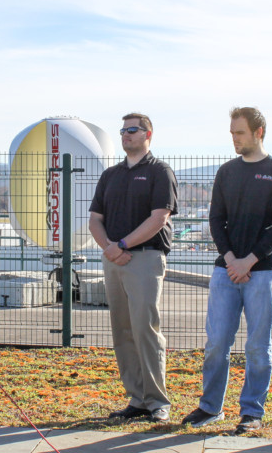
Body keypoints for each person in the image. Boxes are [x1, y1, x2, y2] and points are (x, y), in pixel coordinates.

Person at [181, 107, 272, 435]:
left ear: (259, 132)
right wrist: (231, 259)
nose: (234, 138)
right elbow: (217, 220)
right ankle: (210, 407)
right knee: (216, 342)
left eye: (240, 133)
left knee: (258, 347)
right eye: (231, 132)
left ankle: (251, 412)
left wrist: (250, 261)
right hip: (225, 271)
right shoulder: (227, 172)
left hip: (262, 272)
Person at [89, 112, 178, 423]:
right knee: (123, 331)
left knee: (145, 330)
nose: (125, 135)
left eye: (132, 130)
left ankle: (157, 401)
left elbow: (159, 218)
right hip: (114, 259)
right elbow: (95, 220)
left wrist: (123, 245)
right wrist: (110, 249)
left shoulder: (159, 172)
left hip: (144, 258)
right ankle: (137, 398)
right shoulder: (110, 175)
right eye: (123, 130)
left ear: (147, 134)